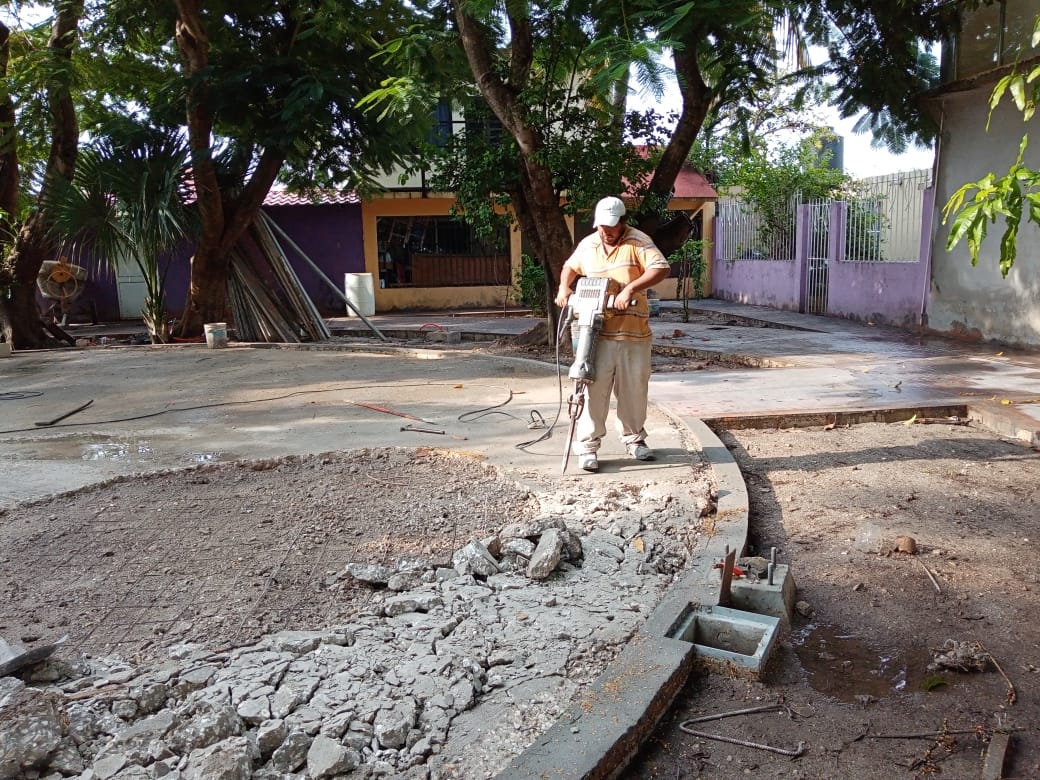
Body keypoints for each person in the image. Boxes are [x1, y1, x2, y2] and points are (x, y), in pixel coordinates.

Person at [554, 196, 672, 472]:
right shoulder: (589, 244)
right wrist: (563, 289)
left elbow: (661, 268)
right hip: (596, 333)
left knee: (634, 390)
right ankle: (587, 446)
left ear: (622, 222)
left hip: (634, 333)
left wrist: (629, 289)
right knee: (592, 387)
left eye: (611, 226)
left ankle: (634, 440)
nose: (606, 231)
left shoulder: (637, 241)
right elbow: (570, 267)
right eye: (602, 226)